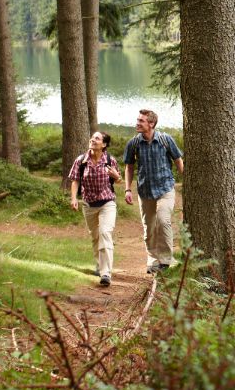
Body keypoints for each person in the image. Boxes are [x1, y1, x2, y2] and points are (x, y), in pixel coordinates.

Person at [123, 109, 184, 275]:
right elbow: (129, 167)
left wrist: (186, 182)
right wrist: (128, 189)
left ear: (151, 124)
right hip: (145, 191)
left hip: (165, 189)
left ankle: (165, 260)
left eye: (141, 121)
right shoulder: (133, 143)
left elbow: (178, 160)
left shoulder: (165, 140)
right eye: (138, 120)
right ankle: (152, 260)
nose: (137, 123)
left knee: (163, 221)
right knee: (148, 227)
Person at [69, 131, 122, 287]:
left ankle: (106, 273)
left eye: (97, 138)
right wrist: (74, 198)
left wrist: (116, 177)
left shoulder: (110, 160)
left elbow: (118, 180)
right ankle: (100, 265)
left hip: (107, 203)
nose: (93, 140)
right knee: (95, 236)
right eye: (92, 138)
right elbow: (75, 181)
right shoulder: (81, 160)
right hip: (88, 204)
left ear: (104, 144)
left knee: (105, 233)